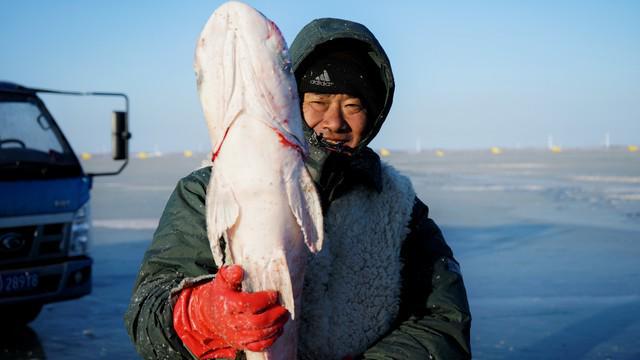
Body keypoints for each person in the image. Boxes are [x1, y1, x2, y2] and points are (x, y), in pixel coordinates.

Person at [125, 17, 472, 360]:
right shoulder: (208, 192)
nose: (334, 121)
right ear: (289, 99)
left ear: (374, 113)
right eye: (318, 102)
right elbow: (147, 312)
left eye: (353, 105)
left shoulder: (399, 206)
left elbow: (442, 321)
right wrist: (201, 315)